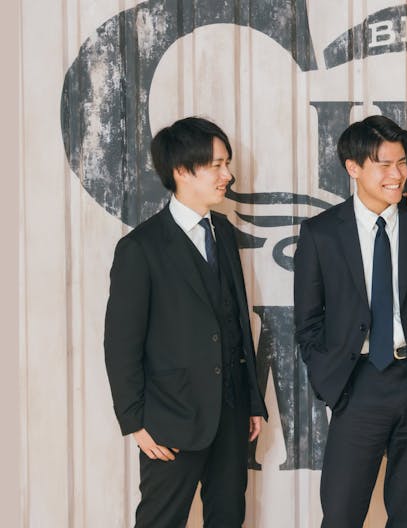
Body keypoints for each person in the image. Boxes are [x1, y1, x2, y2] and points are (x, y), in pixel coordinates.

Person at [293, 115, 407, 527]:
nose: (397, 175)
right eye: (384, 165)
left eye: (402, 163)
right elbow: (308, 322)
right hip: (357, 384)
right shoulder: (321, 234)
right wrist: (331, 382)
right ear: (353, 167)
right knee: (341, 514)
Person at [103, 116, 268, 527]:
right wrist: (135, 422)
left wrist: (250, 400)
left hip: (231, 413)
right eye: (216, 165)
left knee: (228, 517)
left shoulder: (223, 232)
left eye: (226, 164)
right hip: (170, 418)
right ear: (181, 170)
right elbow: (121, 343)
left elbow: (236, 320)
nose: (227, 175)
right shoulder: (140, 248)